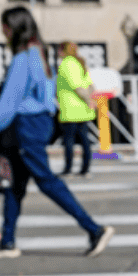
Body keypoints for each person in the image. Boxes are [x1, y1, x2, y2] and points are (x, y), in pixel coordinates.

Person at [0, 8, 113, 260]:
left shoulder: (23, 58)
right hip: (37, 123)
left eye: (5, 26)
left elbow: (9, 103)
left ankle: (94, 229)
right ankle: (7, 241)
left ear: (15, 28)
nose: (2, 31)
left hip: (26, 125)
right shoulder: (40, 54)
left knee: (47, 181)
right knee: (15, 185)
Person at [54, 41, 95, 176]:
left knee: (69, 140)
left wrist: (87, 99)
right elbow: (89, 84)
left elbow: (76, 86)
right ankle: (85, 167)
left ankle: (68, 168)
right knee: (84, 139)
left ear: (63, 51)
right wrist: (91, 100)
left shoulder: (66, 64)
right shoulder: (81, 63)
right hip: (83, 109)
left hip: (70, 108)